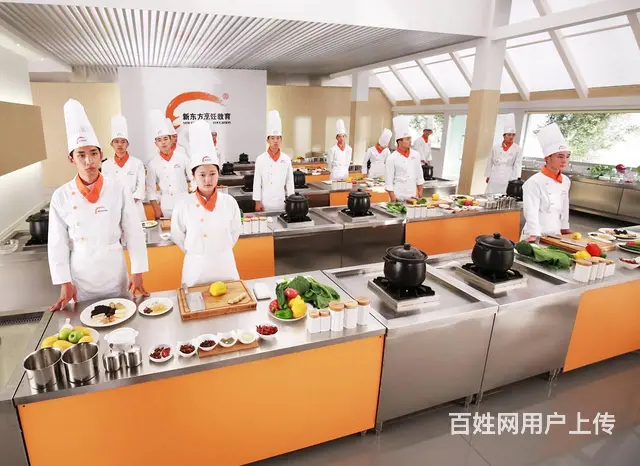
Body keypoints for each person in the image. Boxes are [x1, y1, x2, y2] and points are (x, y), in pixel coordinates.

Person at [48, 99, 149, 310]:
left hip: (114, 272)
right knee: (85, 319)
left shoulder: (118, 188)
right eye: (81, 155)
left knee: (121, 314)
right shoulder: (61, 196)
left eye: (93, 153)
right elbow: (57, 243)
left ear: (101, 155)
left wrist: (138, 271)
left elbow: (133, 231)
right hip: (81, 276)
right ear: (71, 159)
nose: (88, 161)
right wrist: (64, 281)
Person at [171, 121, 242, 286]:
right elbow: (177, 235)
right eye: (202, 174)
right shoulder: (184, 204)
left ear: (218, 174)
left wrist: (219, 251)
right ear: (193, 176)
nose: (207, 179)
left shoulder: (229, 202)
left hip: (225, 267)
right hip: (195, 270)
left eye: (212, 173)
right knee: (193, 300)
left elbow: (235, 232)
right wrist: (197, 253)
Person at [522, 123, 572, 242]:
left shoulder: (565, 180)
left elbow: (565, 206)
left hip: (556, 232)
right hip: (536, 232)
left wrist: (564, 227)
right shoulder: (534, 181)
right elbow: (531, 210)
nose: (564, 160)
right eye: (560, 156)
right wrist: (533, 233)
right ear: (547, 158)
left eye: (567, 156)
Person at [146, 110, 193, 219]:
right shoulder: (153, 164)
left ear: (171, 140)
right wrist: (156, 209)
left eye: (165, 139)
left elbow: (193, 178)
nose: (163, 142)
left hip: (185, 202)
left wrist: (193, 198)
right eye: (159, 140)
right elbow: (151, 189)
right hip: (166, 205)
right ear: (156, 143)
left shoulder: (182, 158)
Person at [101, 115, 147, 221]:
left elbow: (140, 188)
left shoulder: (137, 163)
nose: (120, 145)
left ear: (128, 144)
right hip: (115, 208)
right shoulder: (106, 165)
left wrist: (128, 203)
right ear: (112, 144)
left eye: (123, 141)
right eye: (116, 142)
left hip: (135, 207)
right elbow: (105, 188)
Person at [253, 110, 295, 212]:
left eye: (278, 138)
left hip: (282, 203)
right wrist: (257, 201)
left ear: (281, 139)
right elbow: (257, 181)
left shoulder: (286, 159)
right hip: (265, 202)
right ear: (267, 140)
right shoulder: (260, 159)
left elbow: (289, 182)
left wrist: (292, 200)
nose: (275, 141)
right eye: (272, 138)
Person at [386, 115, 424, 202]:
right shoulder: (391, 158)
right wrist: (392, 197)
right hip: (398, 195)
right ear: (399, 142)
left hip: (412, 195)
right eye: (407, 139)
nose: (410, 141)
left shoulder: (416, 155)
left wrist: (420, 191)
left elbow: (419, 174)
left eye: (410, 139)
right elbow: (389, 180)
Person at [485, 113, 522, 194]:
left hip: (508, 177)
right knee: (490, 194)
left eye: (513, 135)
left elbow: (517, 165)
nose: (511, 137)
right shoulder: (495, 147)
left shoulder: (517, 149)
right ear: (504, 136)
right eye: (509, 135)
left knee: (504, 195)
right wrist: (488, 175)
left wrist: (515, 179)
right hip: (495, 176)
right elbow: (490, 161)